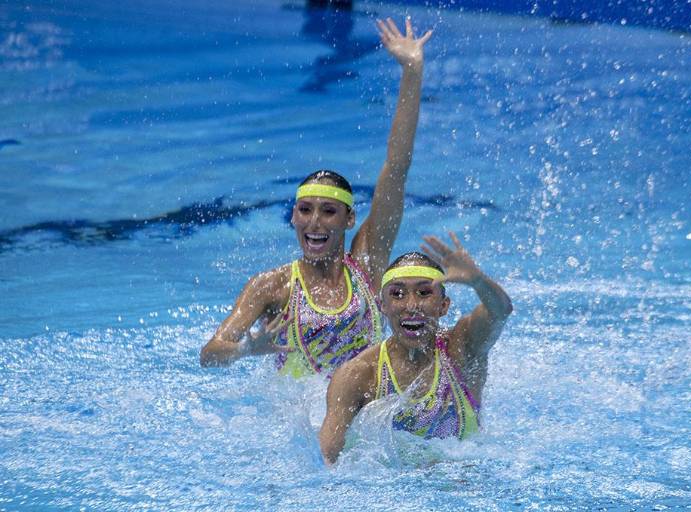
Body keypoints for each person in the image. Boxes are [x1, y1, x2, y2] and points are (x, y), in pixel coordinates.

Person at [200, 18, 433, 377]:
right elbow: (210, 354)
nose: (314, 222)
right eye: (305, 210)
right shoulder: (272, 287)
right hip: (297, 417)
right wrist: (248, 348)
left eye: (328, 212)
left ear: (349, 220)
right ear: (293, 217)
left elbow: (397, 165)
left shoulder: (368, 265)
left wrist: (412, 71)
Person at [318, 232, 513, 464]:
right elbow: (328, 460)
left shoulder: (461, 350)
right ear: (382, 306)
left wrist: (478, 281)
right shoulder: (358, 376)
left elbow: (500, 311)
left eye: (424, 293)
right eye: (397, 294)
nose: (411, 306)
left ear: (443, 306)